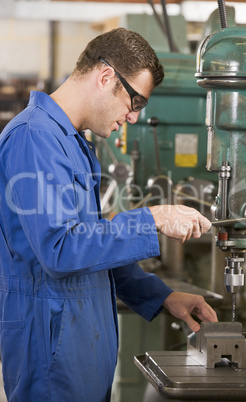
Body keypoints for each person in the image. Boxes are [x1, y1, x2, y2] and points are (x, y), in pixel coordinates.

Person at [0, 28, 217, 402]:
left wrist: (163, 296)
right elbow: (61, 248)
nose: (132, 117)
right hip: (51, 351)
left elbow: (94, 246)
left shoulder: (74, 144)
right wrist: (152, 218)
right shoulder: (34, 138)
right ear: (105, 77)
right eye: (135, 101)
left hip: (81, 348)